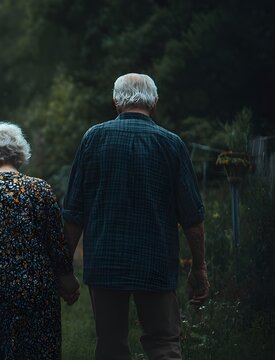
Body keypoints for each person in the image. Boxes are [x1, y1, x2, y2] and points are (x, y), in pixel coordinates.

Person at [62, 73, 210, 360]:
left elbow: (73, 214)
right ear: (154, 102)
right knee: (164, 343)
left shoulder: (93, 138)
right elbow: (192, 219)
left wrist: (65, 270)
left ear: (116, 101)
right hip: (156, 262)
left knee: (110, 346)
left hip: (105, 263)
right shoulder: (172, 144)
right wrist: (199, 267)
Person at [0, 122, 80, 359]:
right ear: (20, 154)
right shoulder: (40, 190)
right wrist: (69, 283)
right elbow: (57, 246)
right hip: (34, 291)